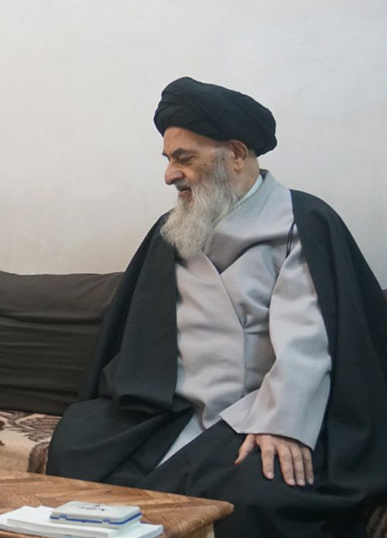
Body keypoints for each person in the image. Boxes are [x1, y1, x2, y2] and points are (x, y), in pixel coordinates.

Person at [46, 77, 387, 537]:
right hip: (172, 409)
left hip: (262, 408)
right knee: (77, 448)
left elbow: (307, 342)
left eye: (184, 159)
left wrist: (283, 423)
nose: (170, 175)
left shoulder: (301, 224)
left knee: (255, 496)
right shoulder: (174, 228)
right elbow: (138, 335)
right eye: (168, 160)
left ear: (236, 154)